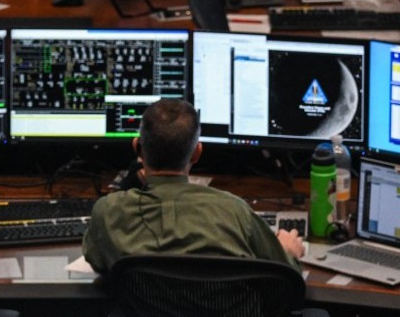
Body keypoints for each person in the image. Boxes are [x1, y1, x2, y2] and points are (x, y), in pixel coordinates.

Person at [82, 98, 304, 274]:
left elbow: (98, 262)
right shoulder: (234, 212)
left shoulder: (108, 213)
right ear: (197, 152)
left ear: (136, 148)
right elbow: (286, 275)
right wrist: (289, 253)